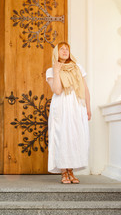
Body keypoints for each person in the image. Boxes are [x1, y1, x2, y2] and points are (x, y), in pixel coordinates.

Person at [46, 42, 91, 184]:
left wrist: (88, 108)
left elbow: (85, 89)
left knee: (74, 136)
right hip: (61, 107)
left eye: (67, 49)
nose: (65, 51)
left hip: (77, 105)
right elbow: (58, 90)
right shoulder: (51, 70)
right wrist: (57, 71)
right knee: (62, 136)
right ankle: (63, 171)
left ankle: (71, 170)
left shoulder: (78, 68)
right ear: (56, 52)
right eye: (61, 49)